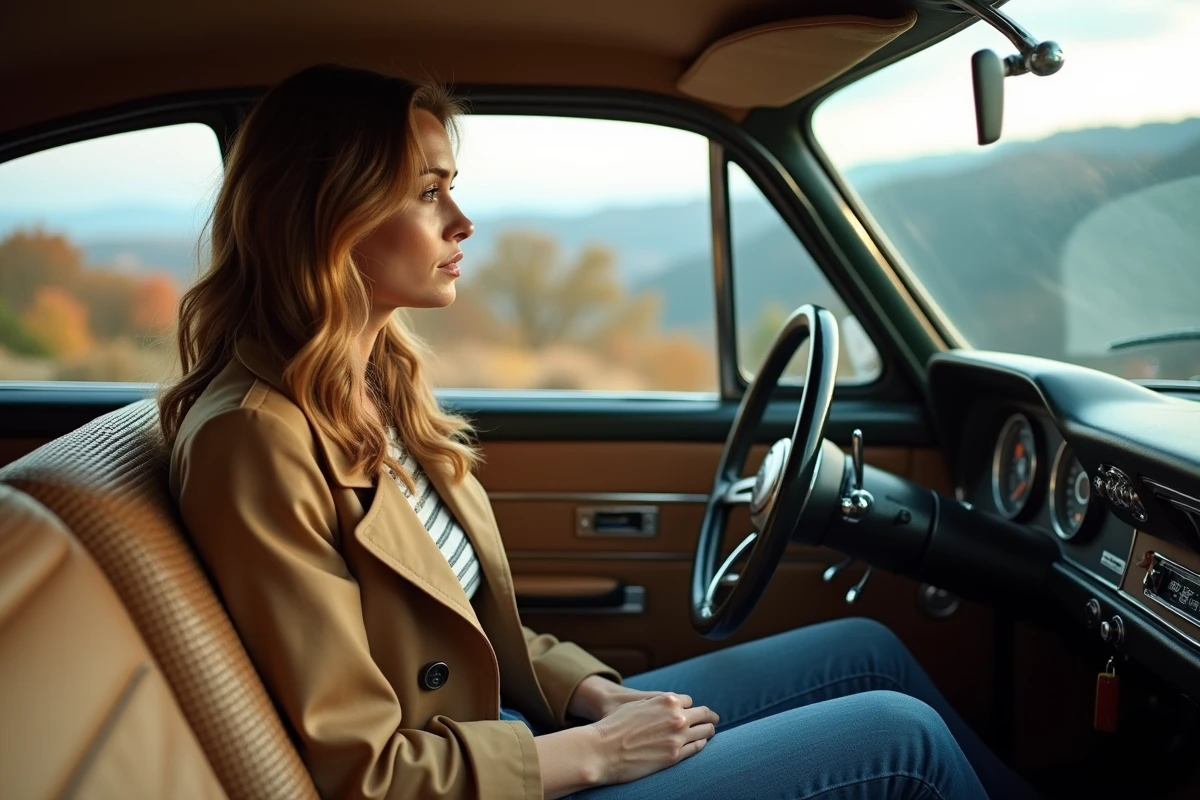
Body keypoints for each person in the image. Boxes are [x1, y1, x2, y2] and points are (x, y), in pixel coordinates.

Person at [161, 63, 1035, 800]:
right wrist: (596, 754)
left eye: (451, 188)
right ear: (328, 214)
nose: (462, 221)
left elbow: (471, 631)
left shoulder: (373, 381)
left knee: (865, 650)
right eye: (428, 193)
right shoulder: (253, 441)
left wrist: (591, 696)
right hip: (480, 781)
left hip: (510, 734)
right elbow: (365, 773)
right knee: (901, 740)